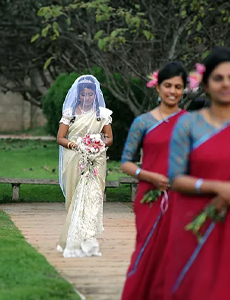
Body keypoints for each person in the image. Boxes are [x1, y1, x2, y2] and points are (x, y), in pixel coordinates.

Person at [166, 46, 230, 300]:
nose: (226, 84)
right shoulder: (188, 124)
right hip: (196, 218)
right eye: (218, 78)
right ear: (205, 83)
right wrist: (218, 188)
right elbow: (175, 177)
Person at [120, 62, 187, 300]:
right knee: (147, 251)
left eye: (178, 87)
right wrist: (149, 176)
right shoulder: (143, 122)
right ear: (157, 87)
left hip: (182, 198)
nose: (172, 91)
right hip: (149, 196)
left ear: (184, 90)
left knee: (178, 254)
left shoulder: (192, 123)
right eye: (167, 85)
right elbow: (126, 162)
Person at [56, 75, 113, 258]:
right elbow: (60, 138)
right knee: (76, 198)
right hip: (74, 159)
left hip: (96, 159)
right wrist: (77, 145)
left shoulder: (102, 114)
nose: (87, 97)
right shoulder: (70, 114)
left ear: (95, 95)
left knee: (93, 197)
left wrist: (98, 144)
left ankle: (89, 239)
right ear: (79, 95)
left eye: (91, 94)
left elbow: (109, 138)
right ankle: (72, 240)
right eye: (84, 94)